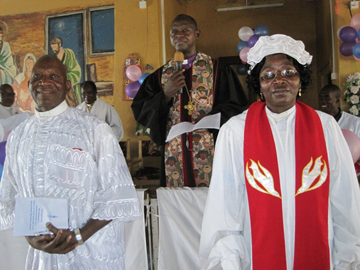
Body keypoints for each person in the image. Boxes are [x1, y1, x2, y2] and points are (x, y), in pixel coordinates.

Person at [199, 34, 360, 269]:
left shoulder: (325, 127)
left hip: (320, 248)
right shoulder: (236, 131)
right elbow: (226, 204)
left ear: (300, 80)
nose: (279, 81)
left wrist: (348, 257)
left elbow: (344, 196)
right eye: (268, 75)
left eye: (288, 72)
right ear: (259, 85)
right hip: (256, 250)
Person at [0, 55, 141, 269]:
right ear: (29, 85)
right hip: (43, 255)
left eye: (53, 76)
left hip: (90, 251)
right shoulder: (19, 136)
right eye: (37, 76)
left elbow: (116, 196)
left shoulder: (94, 129)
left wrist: (77, 236)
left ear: (67, 86)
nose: (44, 81)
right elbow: (11, 195)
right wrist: (30, 236)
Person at [131, 14, 248, 187]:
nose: (179, 35)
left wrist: (213, 117)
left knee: (212, 204)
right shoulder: (159, 76)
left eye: (185, 31)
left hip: (211, 150)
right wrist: (164, 95)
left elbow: (238, 107)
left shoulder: (218, 71)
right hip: (174, 153)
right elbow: (141, 111)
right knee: (178, 206)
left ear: (197, 33)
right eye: (174, 32)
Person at [51, 37, 82, 107]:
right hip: (59, 91)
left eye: (55, 45)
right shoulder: (53, 58)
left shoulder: (69, 53)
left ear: (60, 45)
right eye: (52, 46)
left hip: (70, 88)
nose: (53, 48)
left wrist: (63, 78)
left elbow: (76, 72)